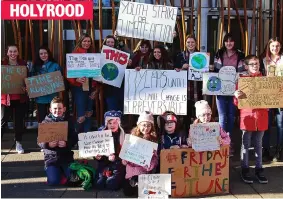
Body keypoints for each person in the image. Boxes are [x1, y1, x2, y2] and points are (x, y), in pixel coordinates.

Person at [234, 55, 268, 184]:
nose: (255, 66)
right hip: (247, 117)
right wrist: (236, 96)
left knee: (259, 144)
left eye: (257, 63)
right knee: (246, 144)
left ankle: (259, 169)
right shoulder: (242, 80)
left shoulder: (265, 81)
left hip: (261, 116)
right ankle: (245, 169)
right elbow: (236, 103)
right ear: (246, 66)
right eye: (252, 64)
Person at [213, 32, 245, 155]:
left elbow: (241, 72)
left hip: (234, 89)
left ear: (234, 42)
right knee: (222, 116)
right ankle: (222, 143)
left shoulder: (240, 55)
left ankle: (229, 143)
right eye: (226, 41)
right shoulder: (219, 54)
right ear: (224, 42)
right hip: (220, 89)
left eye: (231, 41)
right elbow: (215, 70)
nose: (229, 43)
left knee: (231, 116)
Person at [38, 97, 77, 185]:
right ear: (50, 110)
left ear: (64, 109)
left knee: (74, 180)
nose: (57, 110)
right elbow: (39, 141)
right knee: (53, 182)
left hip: (66, 157)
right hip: (51, 158)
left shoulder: (69, 121)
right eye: (55, 108)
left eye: (60, 108)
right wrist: (48, 145)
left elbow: (74, 137)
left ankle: (63, 172)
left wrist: (67, 143)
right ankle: (52, 171)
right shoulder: (45, 122)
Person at [122, 111, 158, 197]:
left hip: (144, 173)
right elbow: (124, 161)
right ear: (139, 125)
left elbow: (153, 164)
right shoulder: (131, 138)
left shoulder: (153, 140)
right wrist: (126, 158)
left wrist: (152, 155)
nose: (146, 128)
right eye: (144, 125)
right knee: (127, 192)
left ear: (152, 127)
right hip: (130, 173)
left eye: (149, 125)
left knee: (142, 193)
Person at [1, 44, 28, 154]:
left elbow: (27, 79)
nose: (12, 53)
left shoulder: (23, 64)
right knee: (2, 121)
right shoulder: (2, 64)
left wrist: (26, 87)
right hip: (5, 98)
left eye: (15, 51)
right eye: (10, 51)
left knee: (18, 122)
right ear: (7, 53)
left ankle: (18, 143)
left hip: (19, 98)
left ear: (18, 52)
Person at [67, 34, 96, 133]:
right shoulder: (74, 54)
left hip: (91, 87)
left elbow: (98, 73)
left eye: (88, 41)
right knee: (81, 113)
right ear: (80, 42)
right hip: (79, 88)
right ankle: (79, 137)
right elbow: (67, 72)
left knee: (89, 112)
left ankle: (86, 136)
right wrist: (76, 79)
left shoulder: (94, 54)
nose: (86, 43)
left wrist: (96, 90)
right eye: (84, 41)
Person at [261, 37, 283, 162]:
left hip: (280, 95)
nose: (275, 48)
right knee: (267, 124)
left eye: (277, 46)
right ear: (269, 47)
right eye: (273, 46)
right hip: (267, 95)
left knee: (281, 124)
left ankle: (279, 150)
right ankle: (265, 149)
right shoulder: (264, 60)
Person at [174, 34, 203, 129]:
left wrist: (208, 68)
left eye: (192, 42)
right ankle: (186, 136)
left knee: (198, 114)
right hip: (184, 90)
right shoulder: (179, 56)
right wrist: (181, 68)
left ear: (196, 43)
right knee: (186, 115)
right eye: (188, 42)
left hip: (197, 89)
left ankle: (197, 136)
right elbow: (174, 70)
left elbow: (205, 71)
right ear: (185, 44)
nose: (190, 44)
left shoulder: (202, 56)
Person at [94, 110, 126, 190]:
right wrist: (98, 157)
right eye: (110, 123)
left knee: (112, 185)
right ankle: (105, 175)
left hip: (117, 164)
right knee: (99, 184)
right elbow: (95, 150)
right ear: (106, 124)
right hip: (104, 163)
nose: (112, 125)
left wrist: (116, 158)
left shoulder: (123, 135)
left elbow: (125, 153)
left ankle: (114, 178)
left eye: (115, 123)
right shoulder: (101, 134)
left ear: (119, 123)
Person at [31, 46, 62, 123]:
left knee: (55, 118)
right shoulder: (35, 67)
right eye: (41, 54)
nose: (43, 55)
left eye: (45, 53)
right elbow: (31, 81)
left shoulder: (55, 65)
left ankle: (54, 134)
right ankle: (43, 134)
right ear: (38, 55)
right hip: (40, 98)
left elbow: (60, 80)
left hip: (53, 97)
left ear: (48, 54)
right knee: (42, 119)